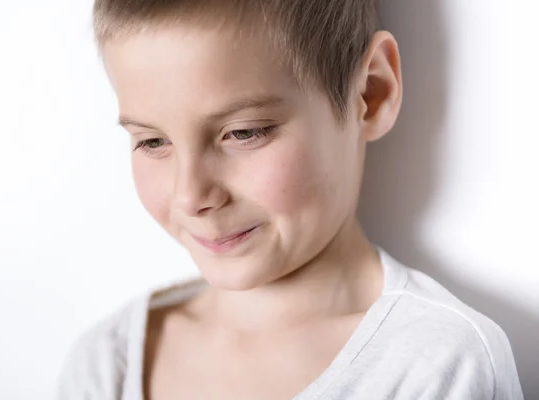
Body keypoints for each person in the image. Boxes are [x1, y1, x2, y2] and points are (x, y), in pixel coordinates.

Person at [56, 0, 523, 398]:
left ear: (371, 94)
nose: (190, 195)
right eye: (152, 142)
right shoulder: (108, 363)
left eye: (243, 133)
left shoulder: (440, 363)